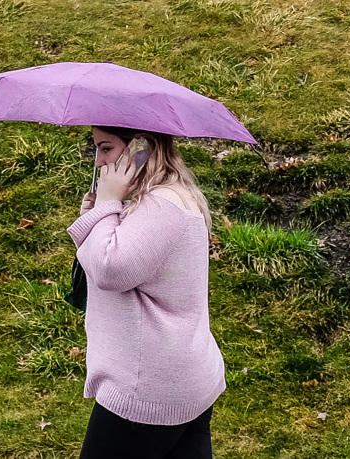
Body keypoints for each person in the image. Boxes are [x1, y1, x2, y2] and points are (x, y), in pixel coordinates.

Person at [66, 126, 226, 458]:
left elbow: (111, 270)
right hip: (180, 380)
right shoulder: (163, 198)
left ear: (140, 148)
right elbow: (106, 261)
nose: (98, 162)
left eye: (106, 148)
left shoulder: (161, 205)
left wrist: (105, 205)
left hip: (148, 388)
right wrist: (98, 214)